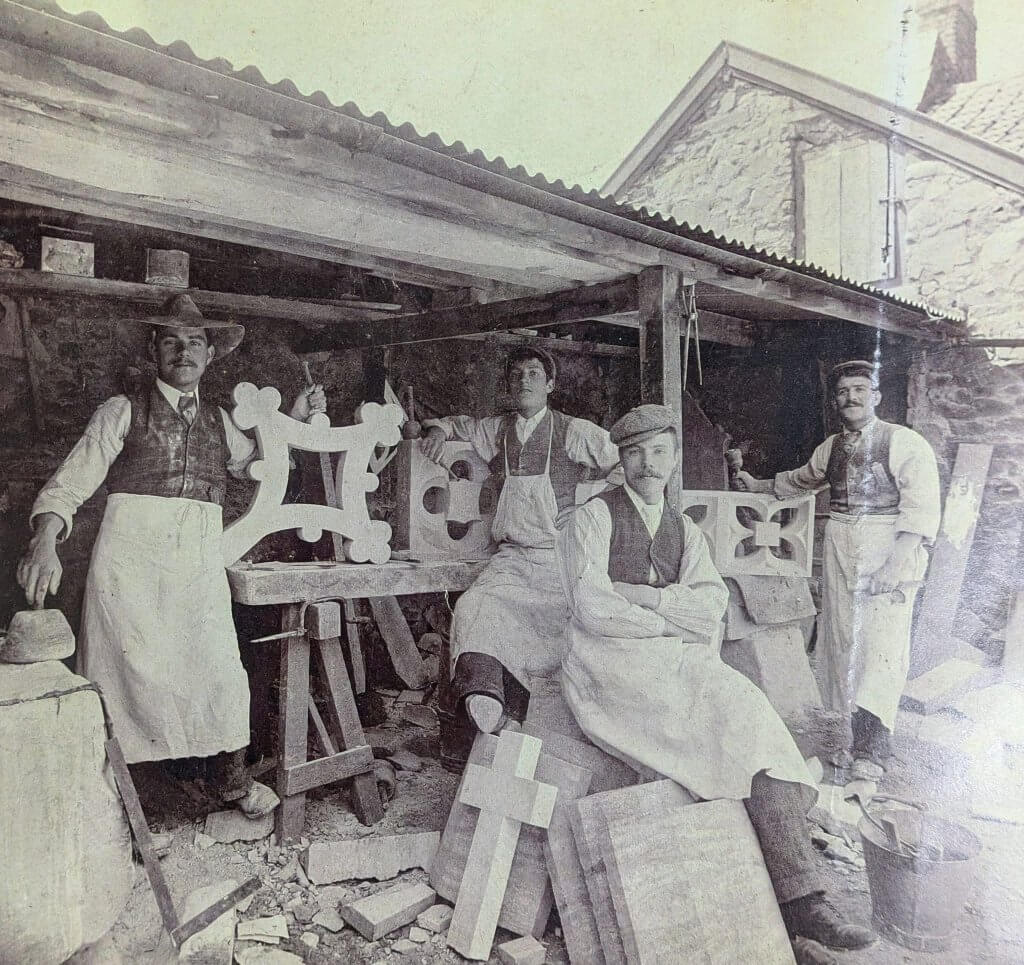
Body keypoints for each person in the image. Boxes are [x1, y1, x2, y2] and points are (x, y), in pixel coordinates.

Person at [559, 404, 875, 965]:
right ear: (621, 460)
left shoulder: (685, 528)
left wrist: (648, 599)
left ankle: (806, 903)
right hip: (610, 666)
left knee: (748, 711)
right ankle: (777, 925)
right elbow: (591, 607)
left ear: (674, 459)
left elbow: (709, 607)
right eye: (634, 453)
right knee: (713, 740)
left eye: (658, 452)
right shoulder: (594, 517)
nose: (647, 464)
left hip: (675, 655)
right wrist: (665, 618)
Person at [17, 294, 325, 821]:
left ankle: (230, 781)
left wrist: (291, 421)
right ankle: (123, 801)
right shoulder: (122, 409)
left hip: (196, 558)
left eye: (195, 343)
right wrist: (44, 539)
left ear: (210, 355)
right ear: (153, 351)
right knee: (126, 674)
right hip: (129, 560)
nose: (184, 352)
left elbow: (256, 458)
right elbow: (70, 482)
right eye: (172, 342)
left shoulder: (221, 419)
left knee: (218, 668)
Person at [733, 360, 940, 797]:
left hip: (889, 545)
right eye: (844, 391)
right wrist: (756, 482)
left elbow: (920, 510)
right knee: (838, 643)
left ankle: (873, 750)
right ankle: (840, 741)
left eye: (861, 389)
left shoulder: (905, 443)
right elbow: (799, 482)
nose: (852, 398)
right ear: (836, 400)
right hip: (842, 543)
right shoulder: (831, 447)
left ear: (877, 396)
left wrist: (894, 563)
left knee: (880, 650)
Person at [420, 345, 620, 733]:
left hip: (559, 559)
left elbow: (623, 466)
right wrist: (438, 429)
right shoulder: (499, 429)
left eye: (532, 373)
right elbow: (457, 424)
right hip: (511, 558)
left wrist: (587, 504)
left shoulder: (572, 430)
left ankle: (540, 716)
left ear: (550, 384)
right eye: (516, 374)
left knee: (568, 625)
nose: (523, 380)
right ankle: (486, 700)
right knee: (475, 606)